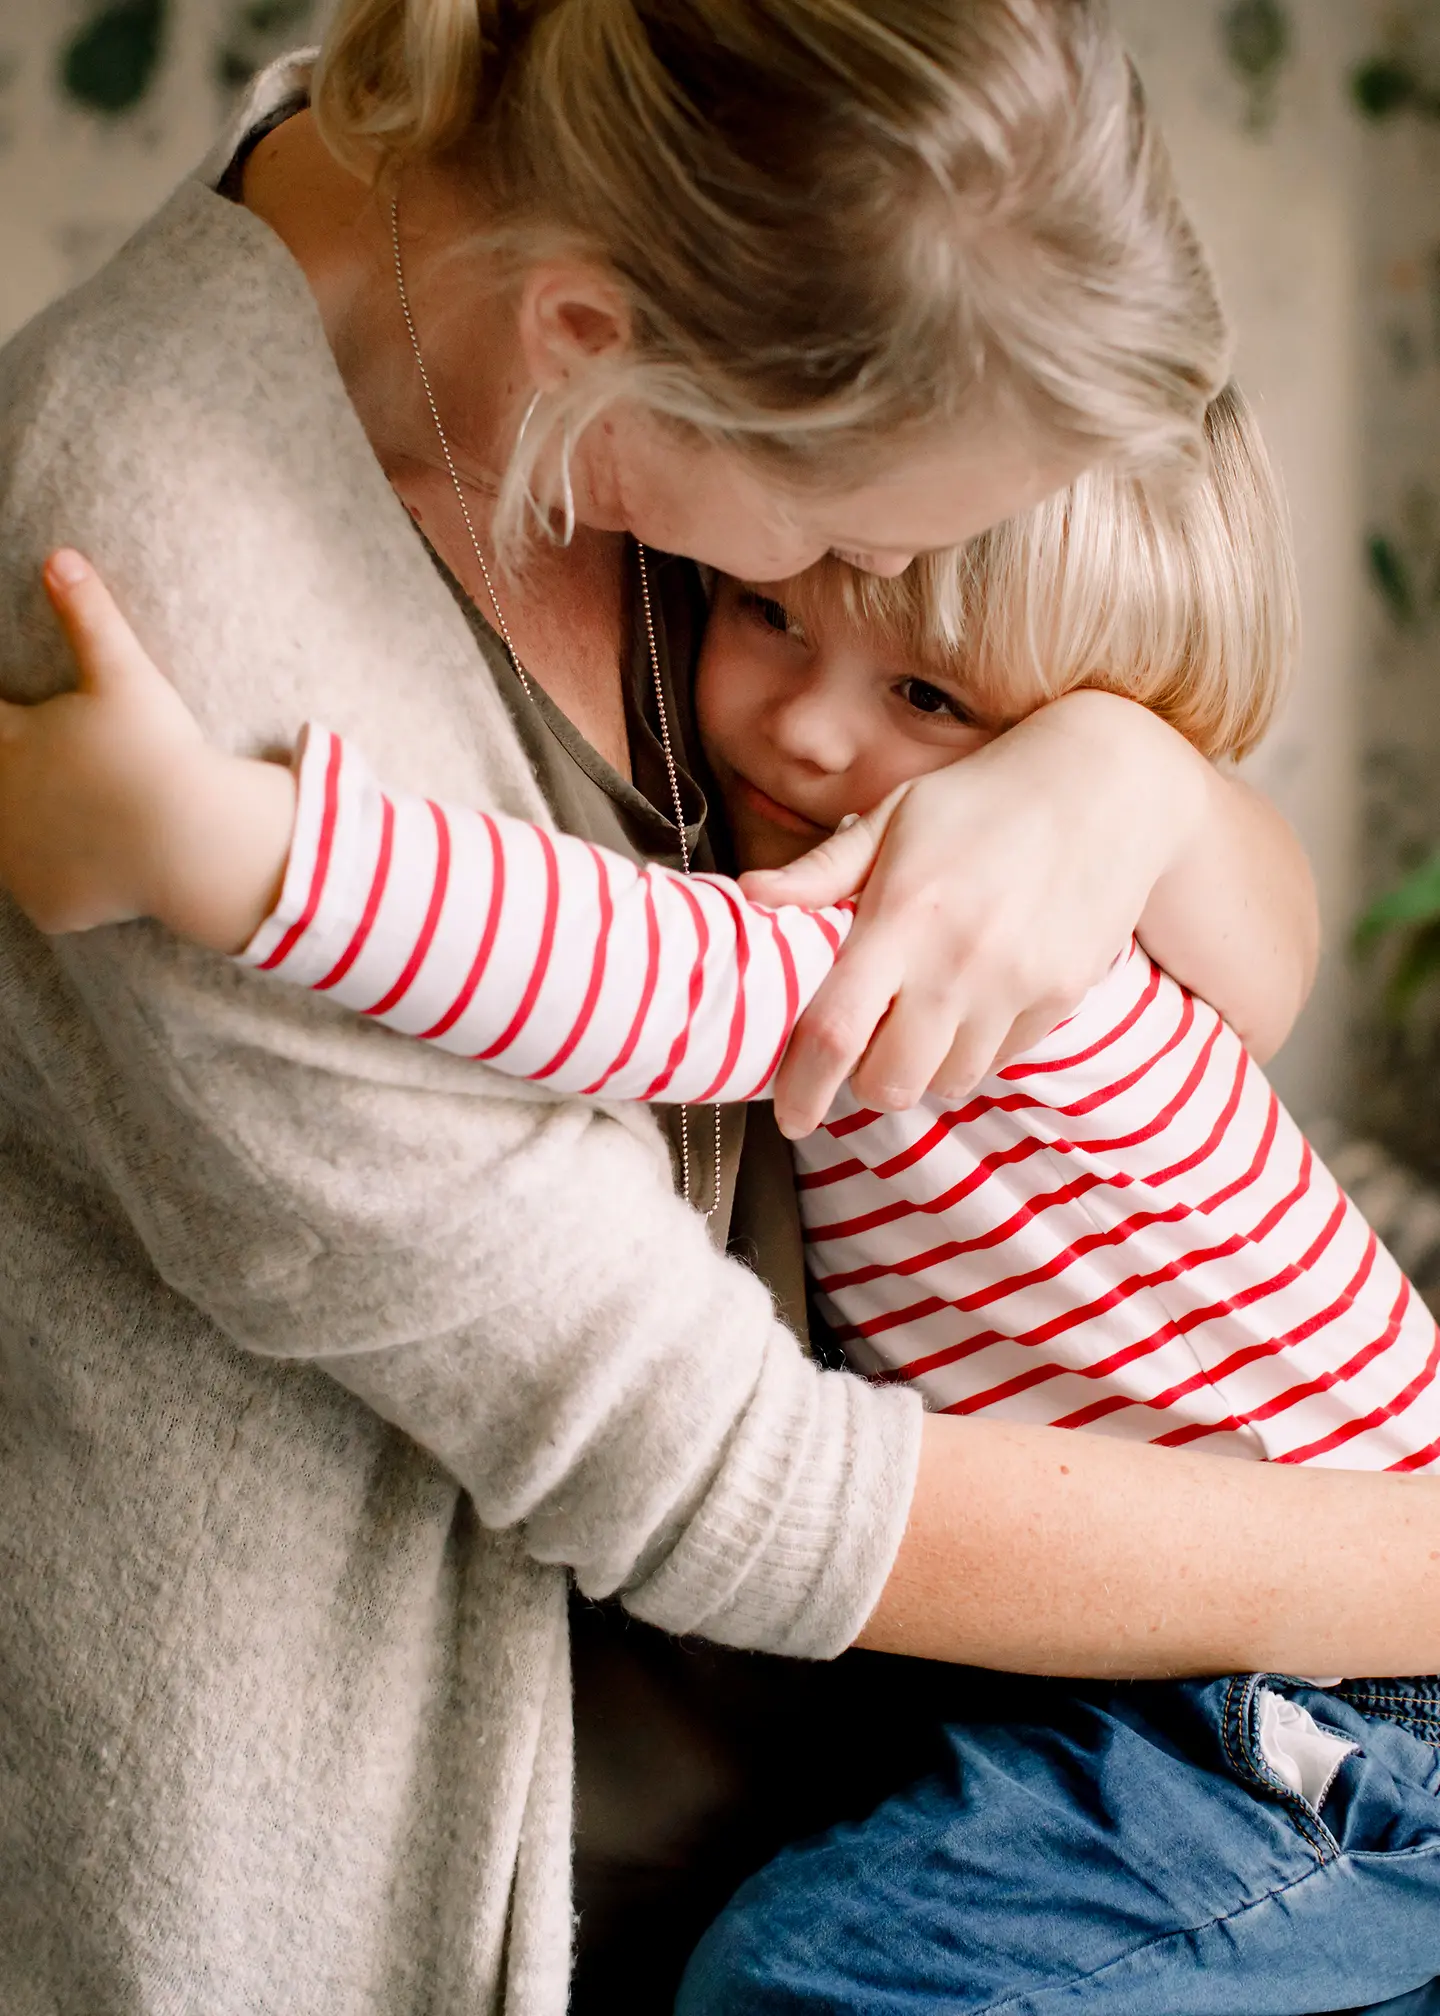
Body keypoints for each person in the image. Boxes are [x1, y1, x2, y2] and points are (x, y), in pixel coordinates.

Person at [0, 6, 1436, 2014]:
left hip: (1227, 1705)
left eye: (940, 672)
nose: (841, 657)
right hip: (393, 1848)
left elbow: (1245, 950)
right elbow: (715, 1456)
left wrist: (1121, 774)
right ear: (598, 348)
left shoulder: (699, 306)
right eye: (836, 560)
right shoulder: (179, 555)